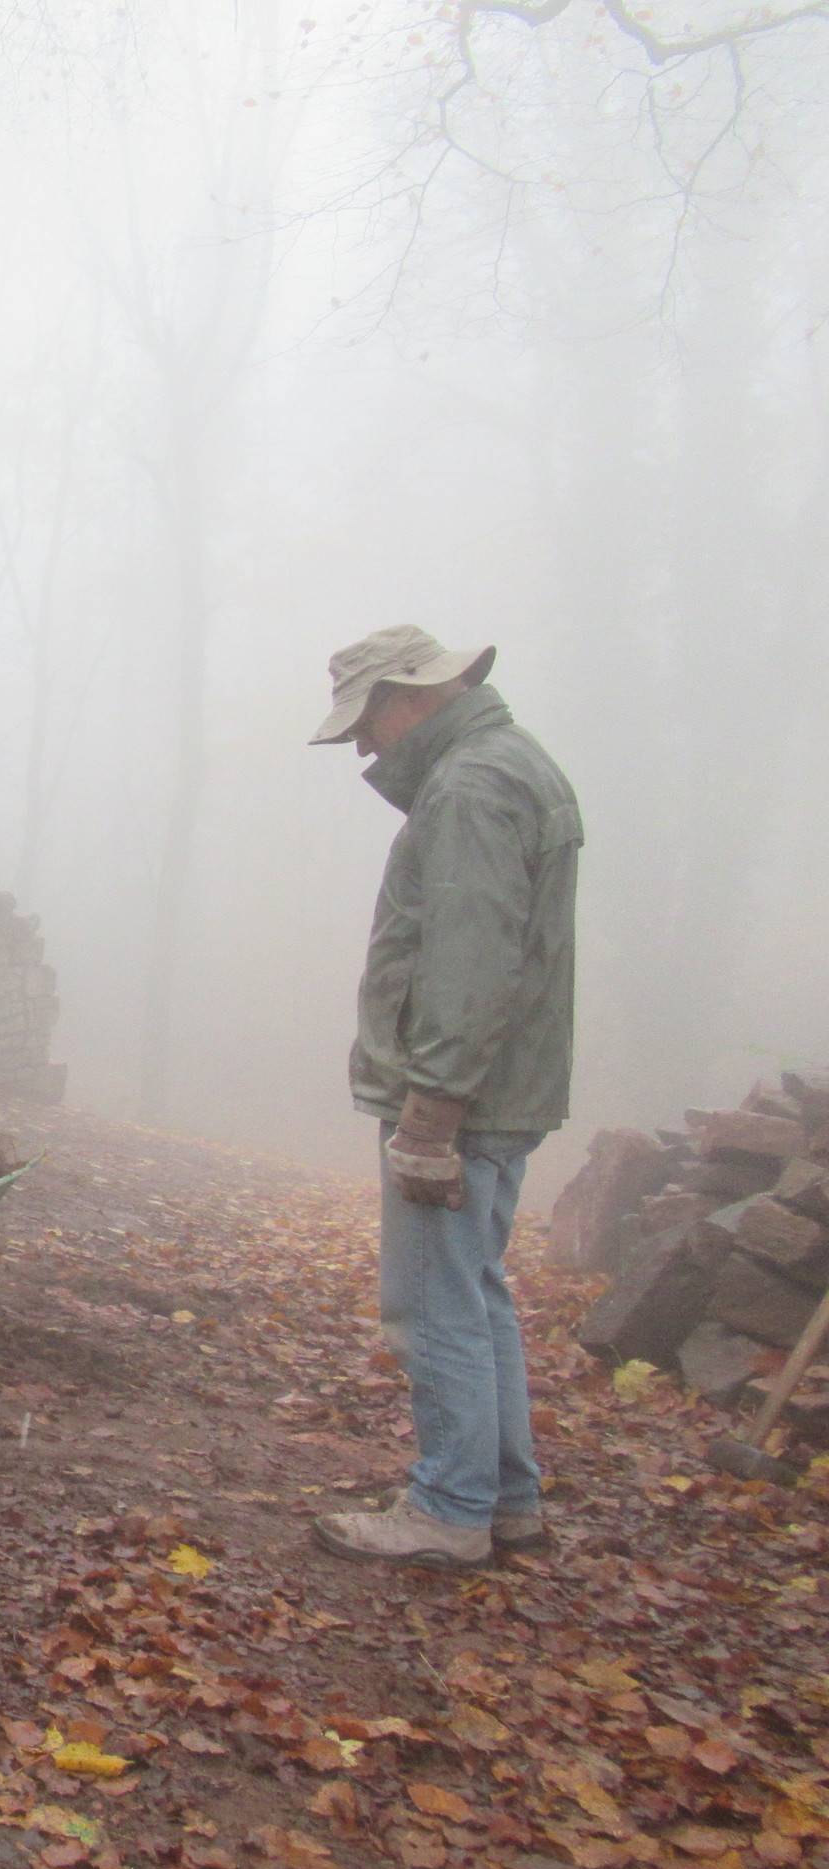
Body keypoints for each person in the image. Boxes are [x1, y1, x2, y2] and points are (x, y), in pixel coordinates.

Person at [306, 625, 582, 1571]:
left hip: (462, 1098)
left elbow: (469, 961)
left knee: (431, 1303)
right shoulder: (511, 764)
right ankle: (506, 1500)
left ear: (409, 695)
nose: (362, 744)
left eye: (365, 722)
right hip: (502, 1090)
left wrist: (430, 1115)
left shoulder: (467, 787)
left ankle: (450, 1509)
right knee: (474, 1291)